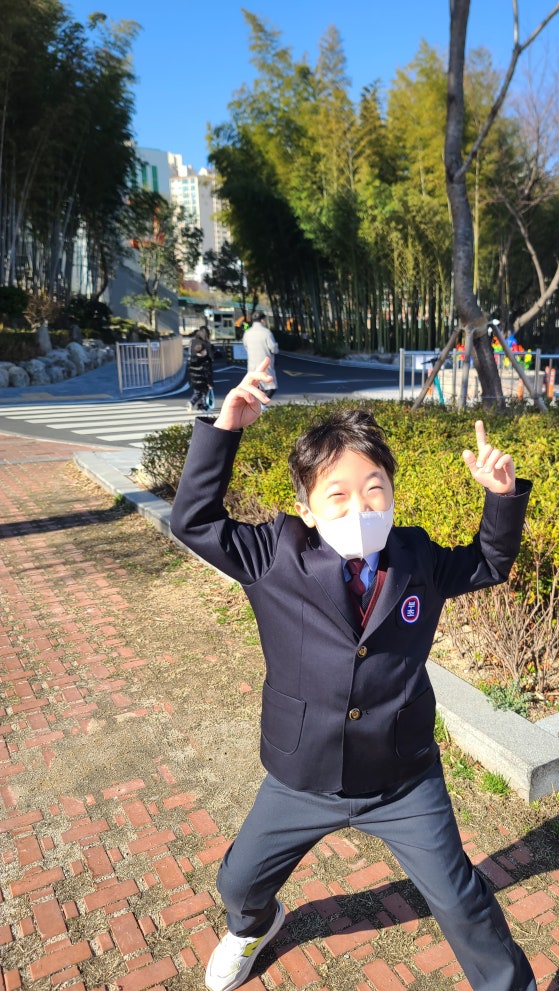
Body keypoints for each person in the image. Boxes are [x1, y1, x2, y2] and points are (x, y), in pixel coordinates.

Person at [169, 358, 536, 991]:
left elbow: (487, 563)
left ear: (392, 495)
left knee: (460, 899)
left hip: (402, 776)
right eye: (336, 494)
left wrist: (500, 498)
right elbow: (194, 522)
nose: (359, 506)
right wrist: (224, 430)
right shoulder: (273, 556)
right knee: (239, 883)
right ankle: (254, 927)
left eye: (374, 489)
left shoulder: (415, 557)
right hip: (302, 773)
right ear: (306, 508)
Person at [244, 310, 279, 399]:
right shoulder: (267, 333)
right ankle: (262, 405)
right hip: (265, 365)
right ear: (262, 320)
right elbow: (274, 349)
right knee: (271, 387)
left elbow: (245, 346)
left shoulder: (247, 333)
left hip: (252, 366)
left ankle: (257, 405)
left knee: (255, 387)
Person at [187, 326, 214, 412]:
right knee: (205, 393)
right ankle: (204, 406)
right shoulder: (205, 346)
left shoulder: (193, 342)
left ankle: (193, 403)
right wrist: (210, 383)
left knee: (197, 392)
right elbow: (208, 372)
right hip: (203, 377)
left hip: (194, 377)